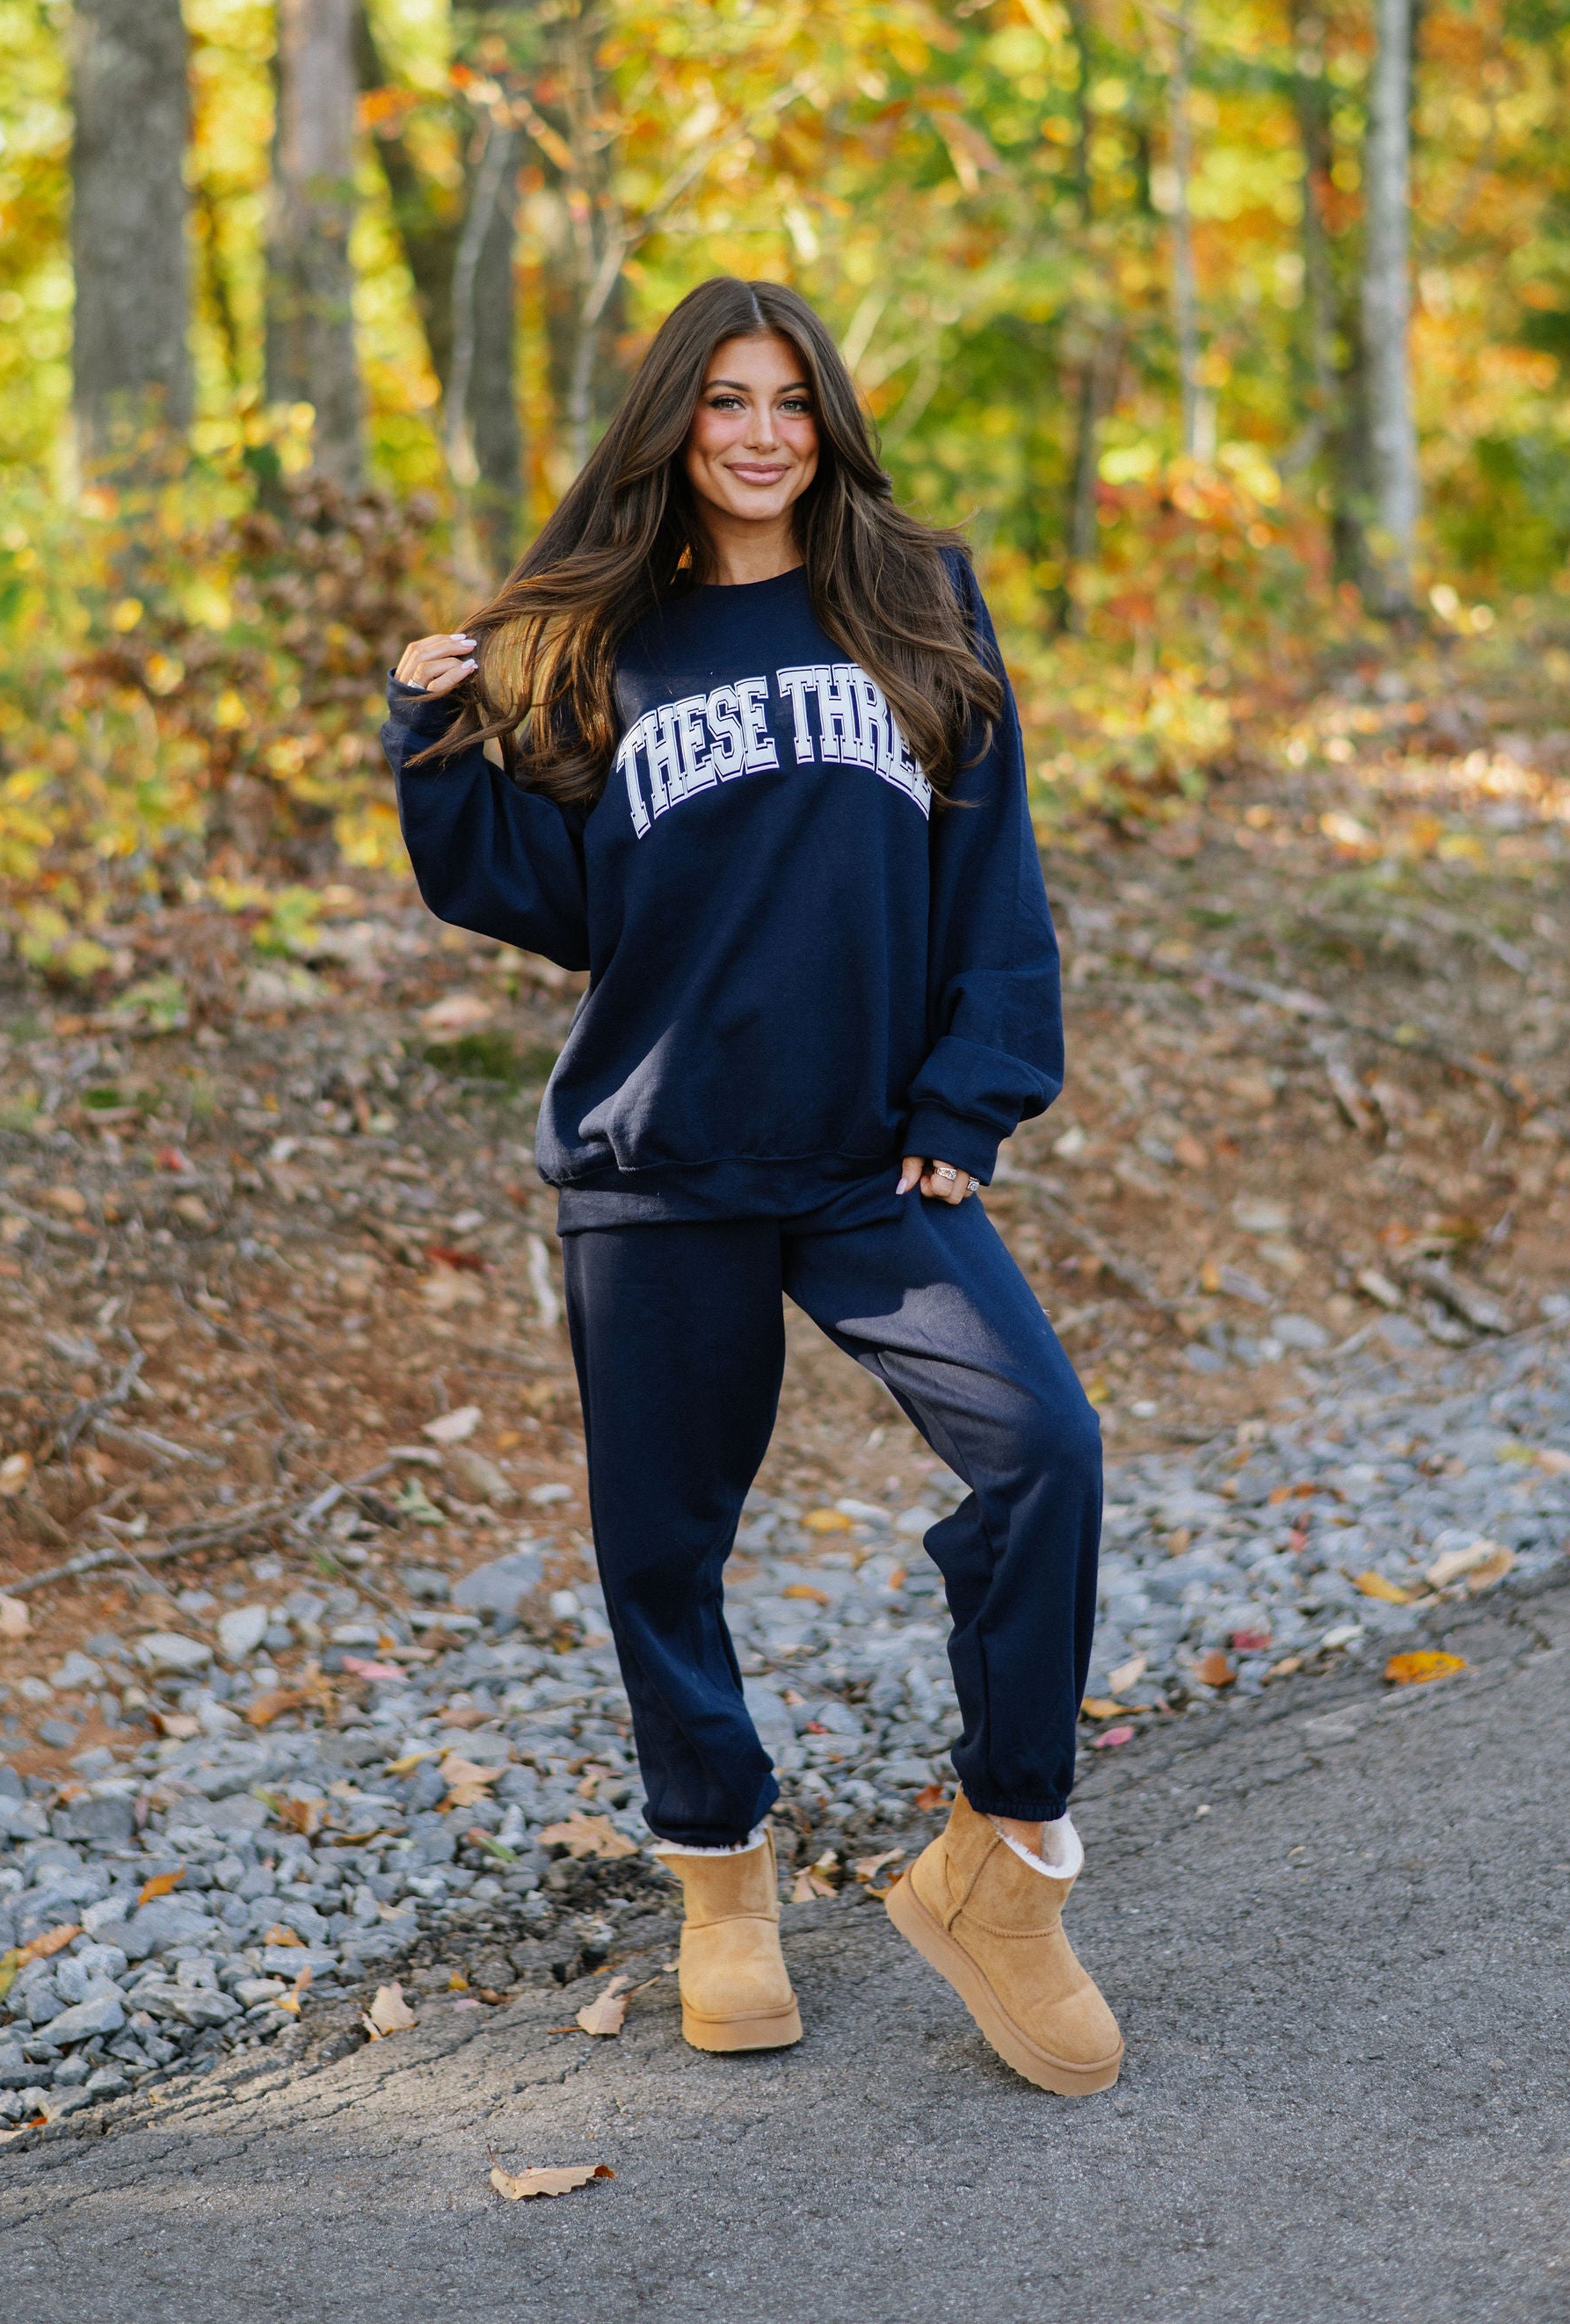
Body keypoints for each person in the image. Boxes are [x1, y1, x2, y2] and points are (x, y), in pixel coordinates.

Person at [382, 278, 1121, 2095]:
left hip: (877, 1154)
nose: (762, 432)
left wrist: (979, 1086)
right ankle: (721, 1879)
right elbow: (552, 906)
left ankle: (1002, 1862)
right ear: (675, 426)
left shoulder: (916, 596)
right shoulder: (599, 639)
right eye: (725, 402)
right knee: (663, 1544)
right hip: (659, 1156)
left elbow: (992, 864)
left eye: (790, 398)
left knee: (1045, 1450)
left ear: (829, 416)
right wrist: (433, 733)